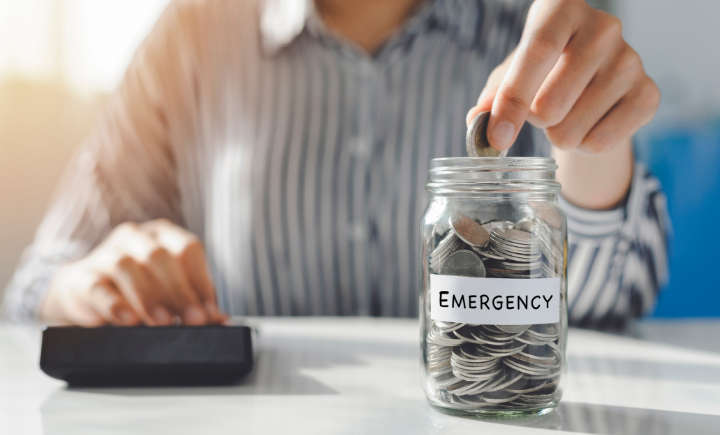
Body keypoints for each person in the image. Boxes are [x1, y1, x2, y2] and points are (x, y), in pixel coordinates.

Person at [2, 0, 669, 329]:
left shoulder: (530, 37)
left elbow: (610, 308)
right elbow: (36, 283)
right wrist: (83, 287)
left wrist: (586, 150)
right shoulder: (195, 35)